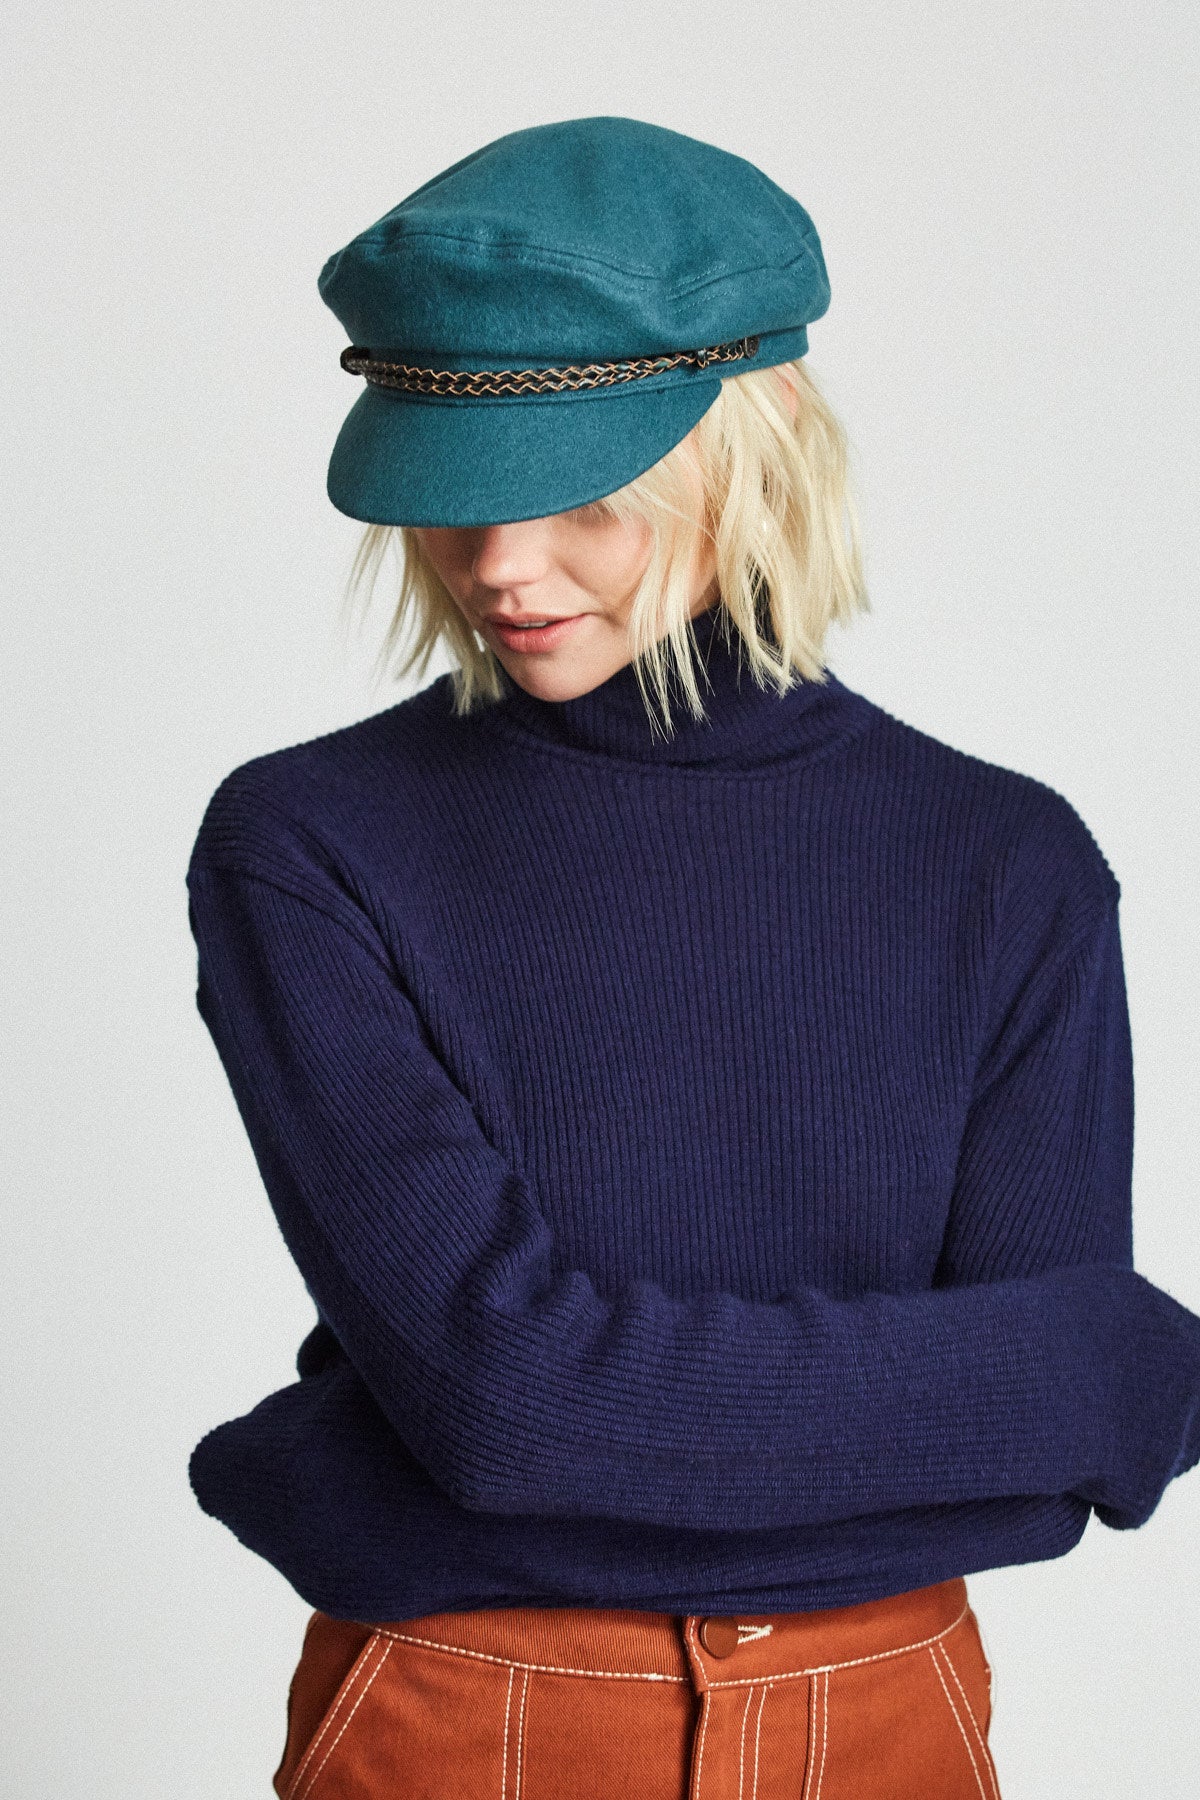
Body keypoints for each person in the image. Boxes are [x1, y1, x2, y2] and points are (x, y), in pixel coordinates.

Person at [184, 117, 1200, 1800]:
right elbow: (505, 1403)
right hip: (479, 1707)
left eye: (582, 496)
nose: (501, 565)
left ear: (754, 446)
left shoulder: (1006, 863)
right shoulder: (311, 845)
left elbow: (1045, 1472)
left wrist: (587, 1406)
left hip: (890, 1708)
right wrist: (1052, 1372)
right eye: (454, 497)